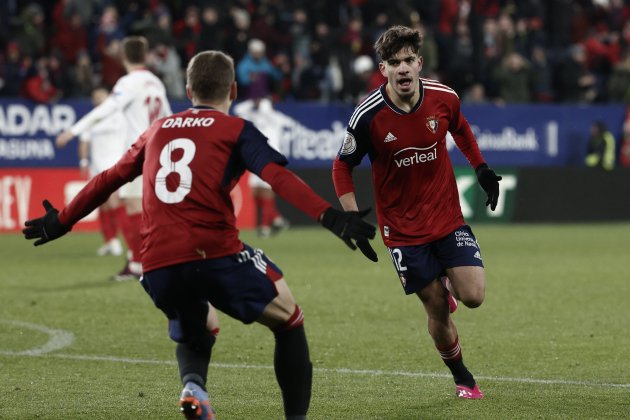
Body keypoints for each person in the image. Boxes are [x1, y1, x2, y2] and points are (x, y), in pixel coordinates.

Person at [24, 50, 376, 420]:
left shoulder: (157, 129)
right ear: (234, 90)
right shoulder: (237, 130)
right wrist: (330, 216)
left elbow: (108, 178)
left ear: (188, 90)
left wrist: (60, 221)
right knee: (289, 317)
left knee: (200, 323)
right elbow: (276, 177)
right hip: (215, 254)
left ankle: (194, 386)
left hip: (156, 263)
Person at [332, 25, 502, 400]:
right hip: (403, 231)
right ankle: (463, 379)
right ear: (383, 69)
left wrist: (482, 169)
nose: (403, 68)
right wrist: (350, 215)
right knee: (437, 308)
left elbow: (461, 129)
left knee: (473, 296)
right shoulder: (368, 116)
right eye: (395, 62)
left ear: (420, 63)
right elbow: (342, 166)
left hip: (446, 217)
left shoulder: (444, 97)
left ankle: (449, 282)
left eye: (409, 60)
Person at [56, 36, 172, 281]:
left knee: (131, 207)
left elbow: (107, 108)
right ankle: (143, 261)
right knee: (145, 208)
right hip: (159, 151)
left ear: (123, 57)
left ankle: (140, 264)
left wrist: (74, 130)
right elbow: (168, 116)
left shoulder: (129, 82)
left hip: (140, 153)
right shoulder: (156, 82)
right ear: (145, 54)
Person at [77, 86, 126, 256]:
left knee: (114, 201)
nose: (98, 100)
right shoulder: (91, 119)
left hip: (114, 164)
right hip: (96, 166)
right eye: (95, 97)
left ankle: (121, 240)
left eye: (101, 97)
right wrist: (83, 161)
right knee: (102, 203)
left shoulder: (119, 116)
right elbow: (84, 141)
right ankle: (109, 240)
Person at [233, 96, 290, 237]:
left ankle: (264, 228)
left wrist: (262, 105)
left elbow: (288, 123)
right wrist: (252, 101)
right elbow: (237, 110)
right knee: (256, 192)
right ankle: (277, 219)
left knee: (266, 190)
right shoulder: (255, 117)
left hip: (272, 159)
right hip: (256, 158)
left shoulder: (276, 118)